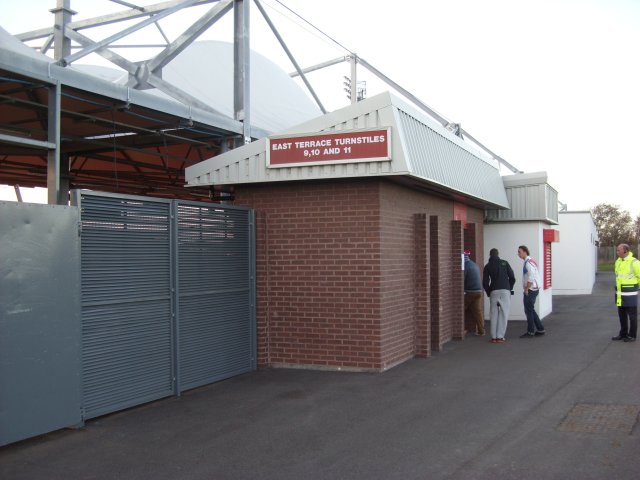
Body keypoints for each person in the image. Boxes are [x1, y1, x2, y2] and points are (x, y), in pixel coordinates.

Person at [483, 248, 515, 343]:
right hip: (505, 291)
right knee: (504, 314)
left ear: (490, 255)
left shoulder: (488, 266)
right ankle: (500, 337)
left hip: (494, 291)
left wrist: (489, 292)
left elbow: (485, 282)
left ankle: (494, 337)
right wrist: (509, 288)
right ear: (498, 254)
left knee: (493, 314)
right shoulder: (504, 263)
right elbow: (512, 277)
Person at [612, 243, 640, 343]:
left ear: (625, 251)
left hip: (630, 294)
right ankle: (623, 334)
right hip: (620, 294)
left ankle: (632, 335)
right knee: (622, 316)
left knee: (632, 316)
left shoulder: (634, 262)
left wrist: (636, 287)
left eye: (619, 250)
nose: (617, 252)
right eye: (617, 250)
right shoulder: (618, 261)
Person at [517, 245, 546, 338]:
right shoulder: (530, 261)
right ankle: (540, 329)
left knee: (528, 310)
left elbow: (531, 276)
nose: (518, 254)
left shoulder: (528, 263)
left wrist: (526, 289)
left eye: (519, 252)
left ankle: (530, 332)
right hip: (534, 289)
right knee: (531, 310)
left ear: (525, 252)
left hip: (531, 290)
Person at [463, 249, 485, 336]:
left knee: (460, 308)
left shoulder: (465, 266)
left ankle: (461, 329)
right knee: (477, 312)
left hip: (470, 292)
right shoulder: (474, 264)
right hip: (478, 291)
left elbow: (462, 280)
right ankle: (481, 331)